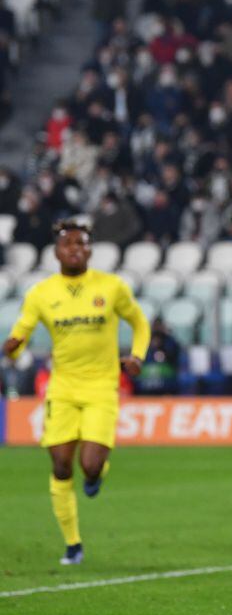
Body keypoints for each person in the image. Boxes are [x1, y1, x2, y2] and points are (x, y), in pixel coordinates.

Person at [2, 219, 149, 565]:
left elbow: (140, 322)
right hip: (63, 387)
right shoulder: (41, 293)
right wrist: (14, 347)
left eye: (82, 244)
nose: (76, 249)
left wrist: (138, 356)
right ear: (56, 251)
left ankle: (96, 476)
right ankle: (72, 544)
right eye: (69, 244)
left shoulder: (111, 287)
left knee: (91, 465)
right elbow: (21, 333)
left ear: (90, 249)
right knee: (61, 465)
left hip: (101, 387)